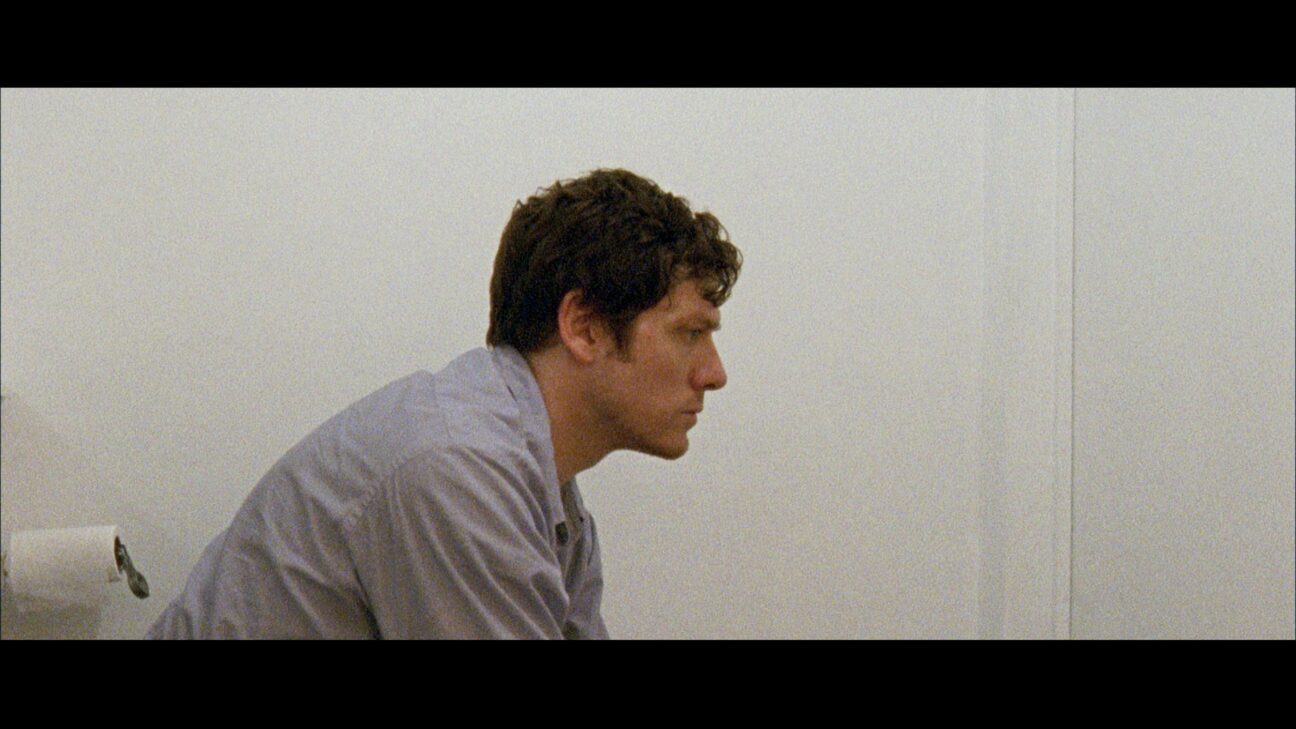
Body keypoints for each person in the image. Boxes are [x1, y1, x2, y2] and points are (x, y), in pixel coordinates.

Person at [145, 168, 742, 638]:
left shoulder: (545, 495)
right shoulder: (460, 468)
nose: (713, 374)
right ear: (584, 327)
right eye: (690, 333)